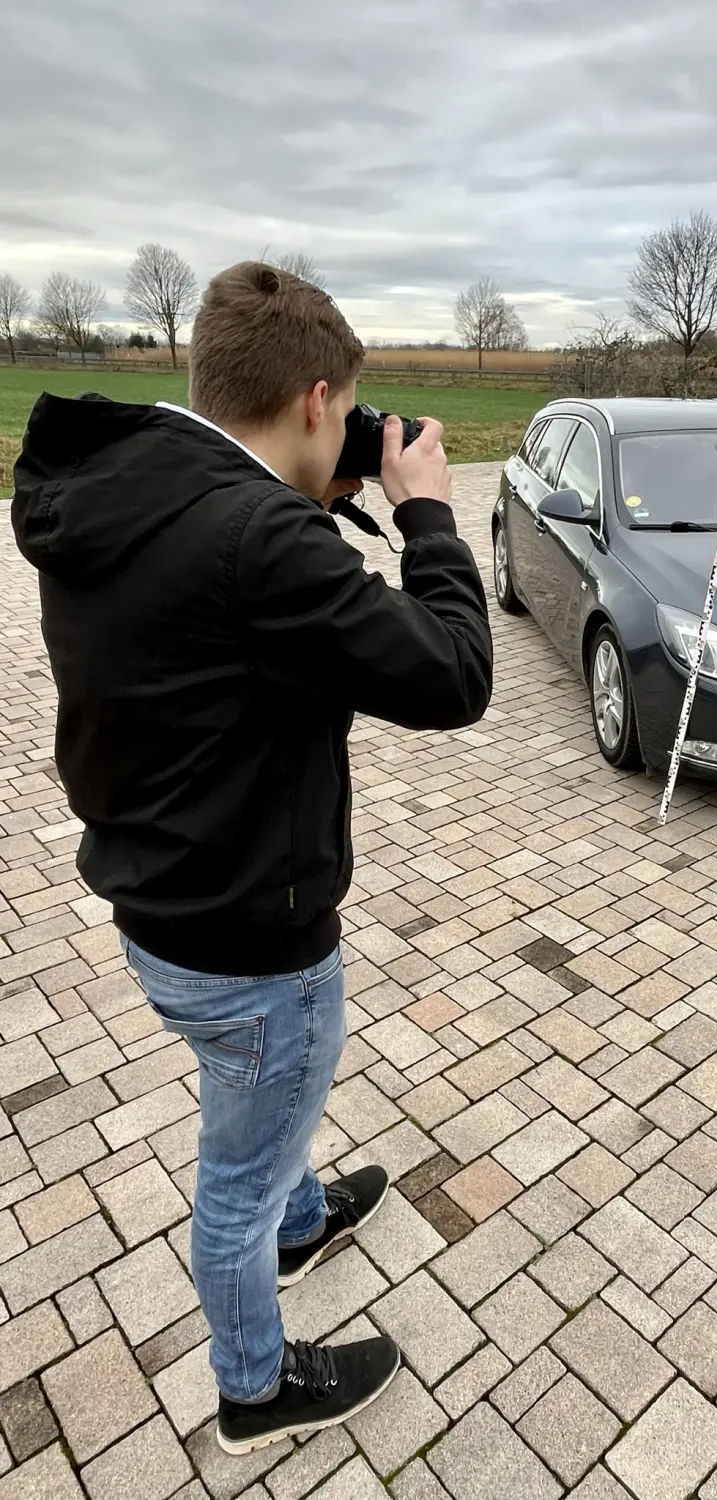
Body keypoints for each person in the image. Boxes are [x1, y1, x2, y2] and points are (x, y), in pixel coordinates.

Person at [10, 262, 493, 1454]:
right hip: (251, 942)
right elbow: (452, 677)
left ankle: (298, 1220)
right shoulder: (256, 537)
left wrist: (316, 496)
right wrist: (426, 511)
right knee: (238, 1164)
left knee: (261, 1117)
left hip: (162, 904)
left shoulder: (133, 482)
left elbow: (232, 608)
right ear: (318, 399)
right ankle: (255, 1388)